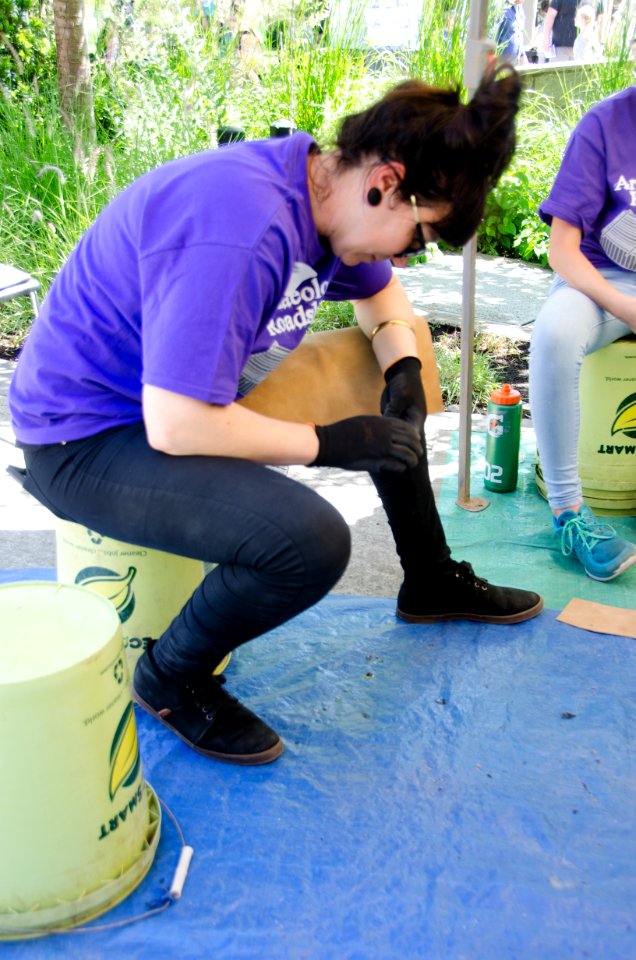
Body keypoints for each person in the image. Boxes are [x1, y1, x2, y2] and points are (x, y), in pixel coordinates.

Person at [9, 63, 543, 767]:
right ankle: (173, 674)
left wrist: (403, 366)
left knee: (376, 369)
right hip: (87, 438)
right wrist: (328, 444)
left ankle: (430, 577)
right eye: (416, 240)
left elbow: (383, 302)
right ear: (385, 181)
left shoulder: (320, 194)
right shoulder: (243, 225)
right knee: (310, 541)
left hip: (176, 397)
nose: (407, 259)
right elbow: (177, 424)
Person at [529, 86, 636, 582]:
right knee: (554, 333)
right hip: (599, 281)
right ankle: (569, 514)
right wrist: (628, 308)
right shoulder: (604, 125)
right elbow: (562, 251)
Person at [495, 0, 529, 66]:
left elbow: (518, 37)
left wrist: (523, 59)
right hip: (500, 67)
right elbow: (491, 38)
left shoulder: (519, 8)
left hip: (514, 66)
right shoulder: (500, 7)